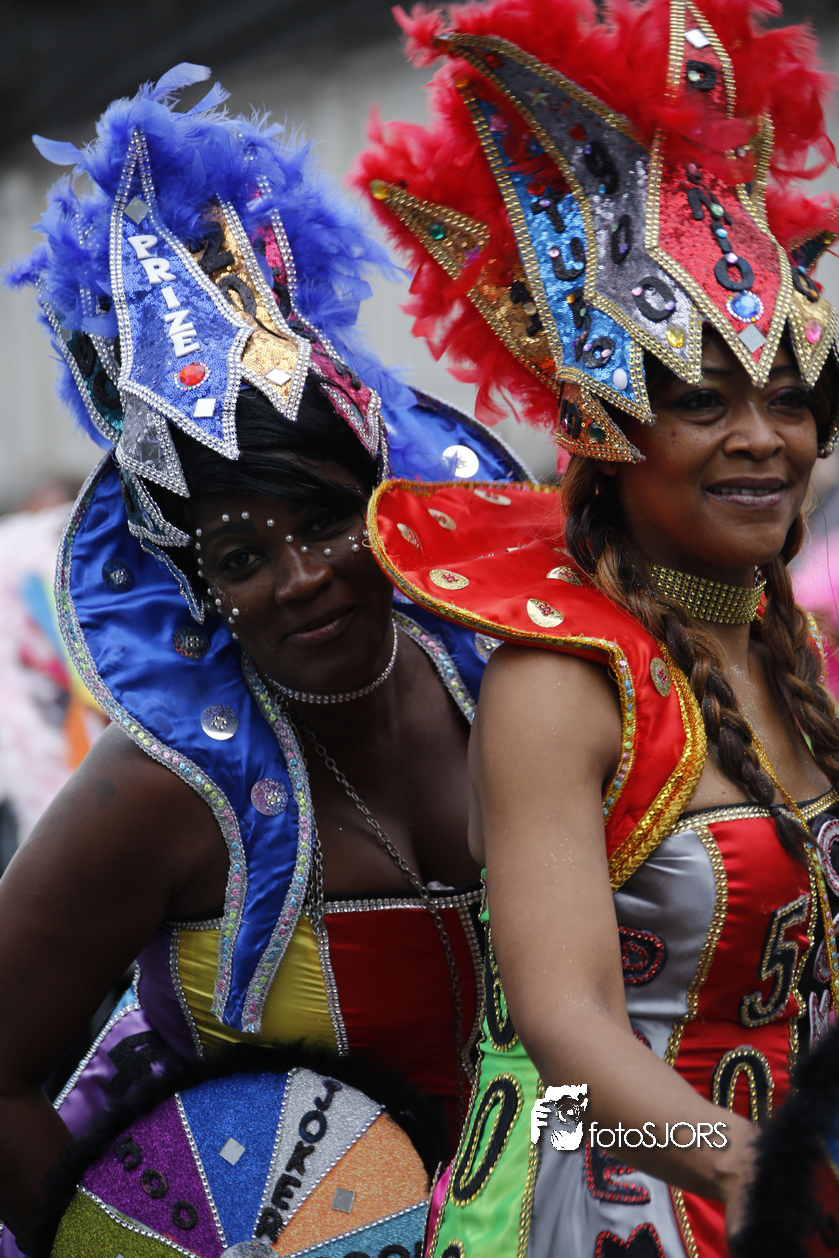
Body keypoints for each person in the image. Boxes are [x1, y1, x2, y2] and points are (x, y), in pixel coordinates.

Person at [0, 65, 530, 1253]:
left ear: (388, 504)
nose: (300, 575)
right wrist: (135, 1242)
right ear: (201, 590)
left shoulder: (512, 693)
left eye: (328, 519)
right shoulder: (161, 792)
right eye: (242, 554)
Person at [356, 0, 839, 1253]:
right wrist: (752, 1168)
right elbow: (563, 1033)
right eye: (700, 402)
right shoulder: (559, 682)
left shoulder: (794, 653)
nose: (759, 439)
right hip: (613, 1207)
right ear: (609, 432)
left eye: (787, 400)